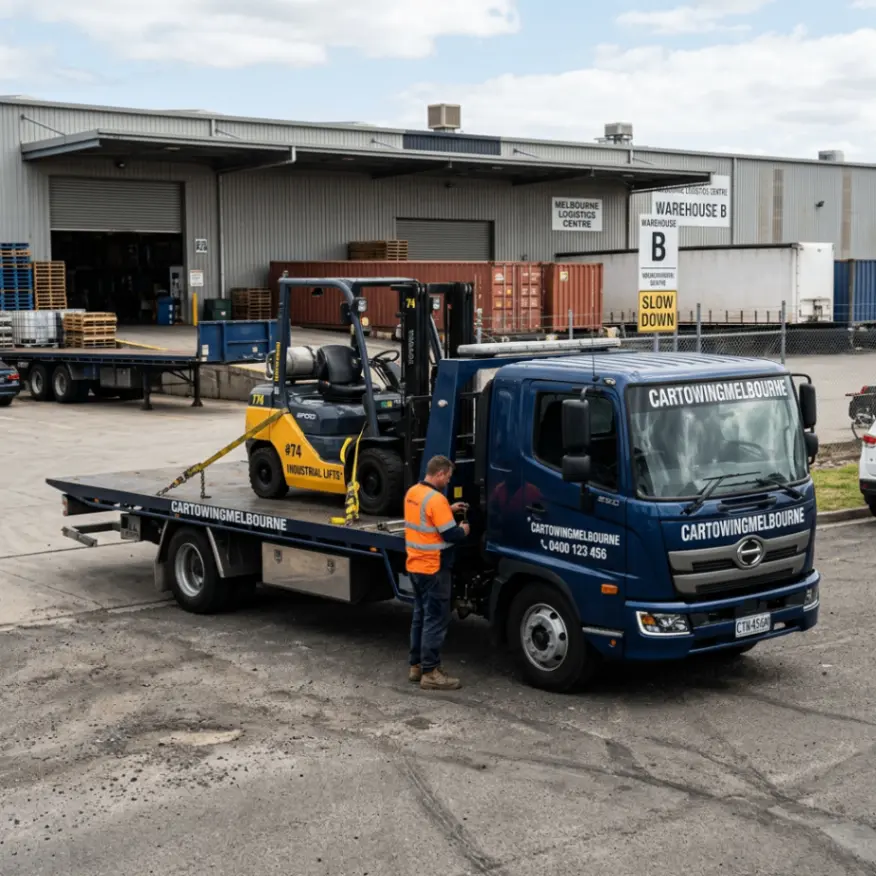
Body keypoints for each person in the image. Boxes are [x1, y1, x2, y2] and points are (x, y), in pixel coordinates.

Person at [404, 455, 470, 691]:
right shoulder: (437, 500)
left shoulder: (413, 493)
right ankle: (431, 672)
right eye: (448, 477)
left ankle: (417, 666)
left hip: (415, 566)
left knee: (420, 616)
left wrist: (448, 509)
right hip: (434, 568)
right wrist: (463, 529)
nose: (449, 481)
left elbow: (427, 518)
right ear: (440, 474)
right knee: (436, 620)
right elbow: (450, 534)